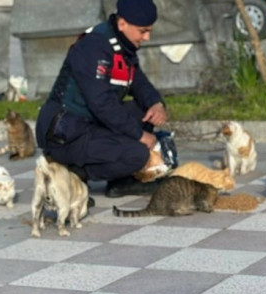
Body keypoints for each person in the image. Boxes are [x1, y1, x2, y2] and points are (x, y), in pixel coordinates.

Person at [35, 0, 176, 198]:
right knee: (138, 154)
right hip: (66, 133)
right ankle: (72, 175)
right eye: (143, 31)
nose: (147, 37)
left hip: (91, 123)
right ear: (122, 24)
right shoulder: (93, 47)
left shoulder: (122, 48)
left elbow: (138, 82)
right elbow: (101, 103)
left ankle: (121, 182)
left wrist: (156, 103)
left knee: (143, 111)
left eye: (149, 31)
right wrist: (139, 135)